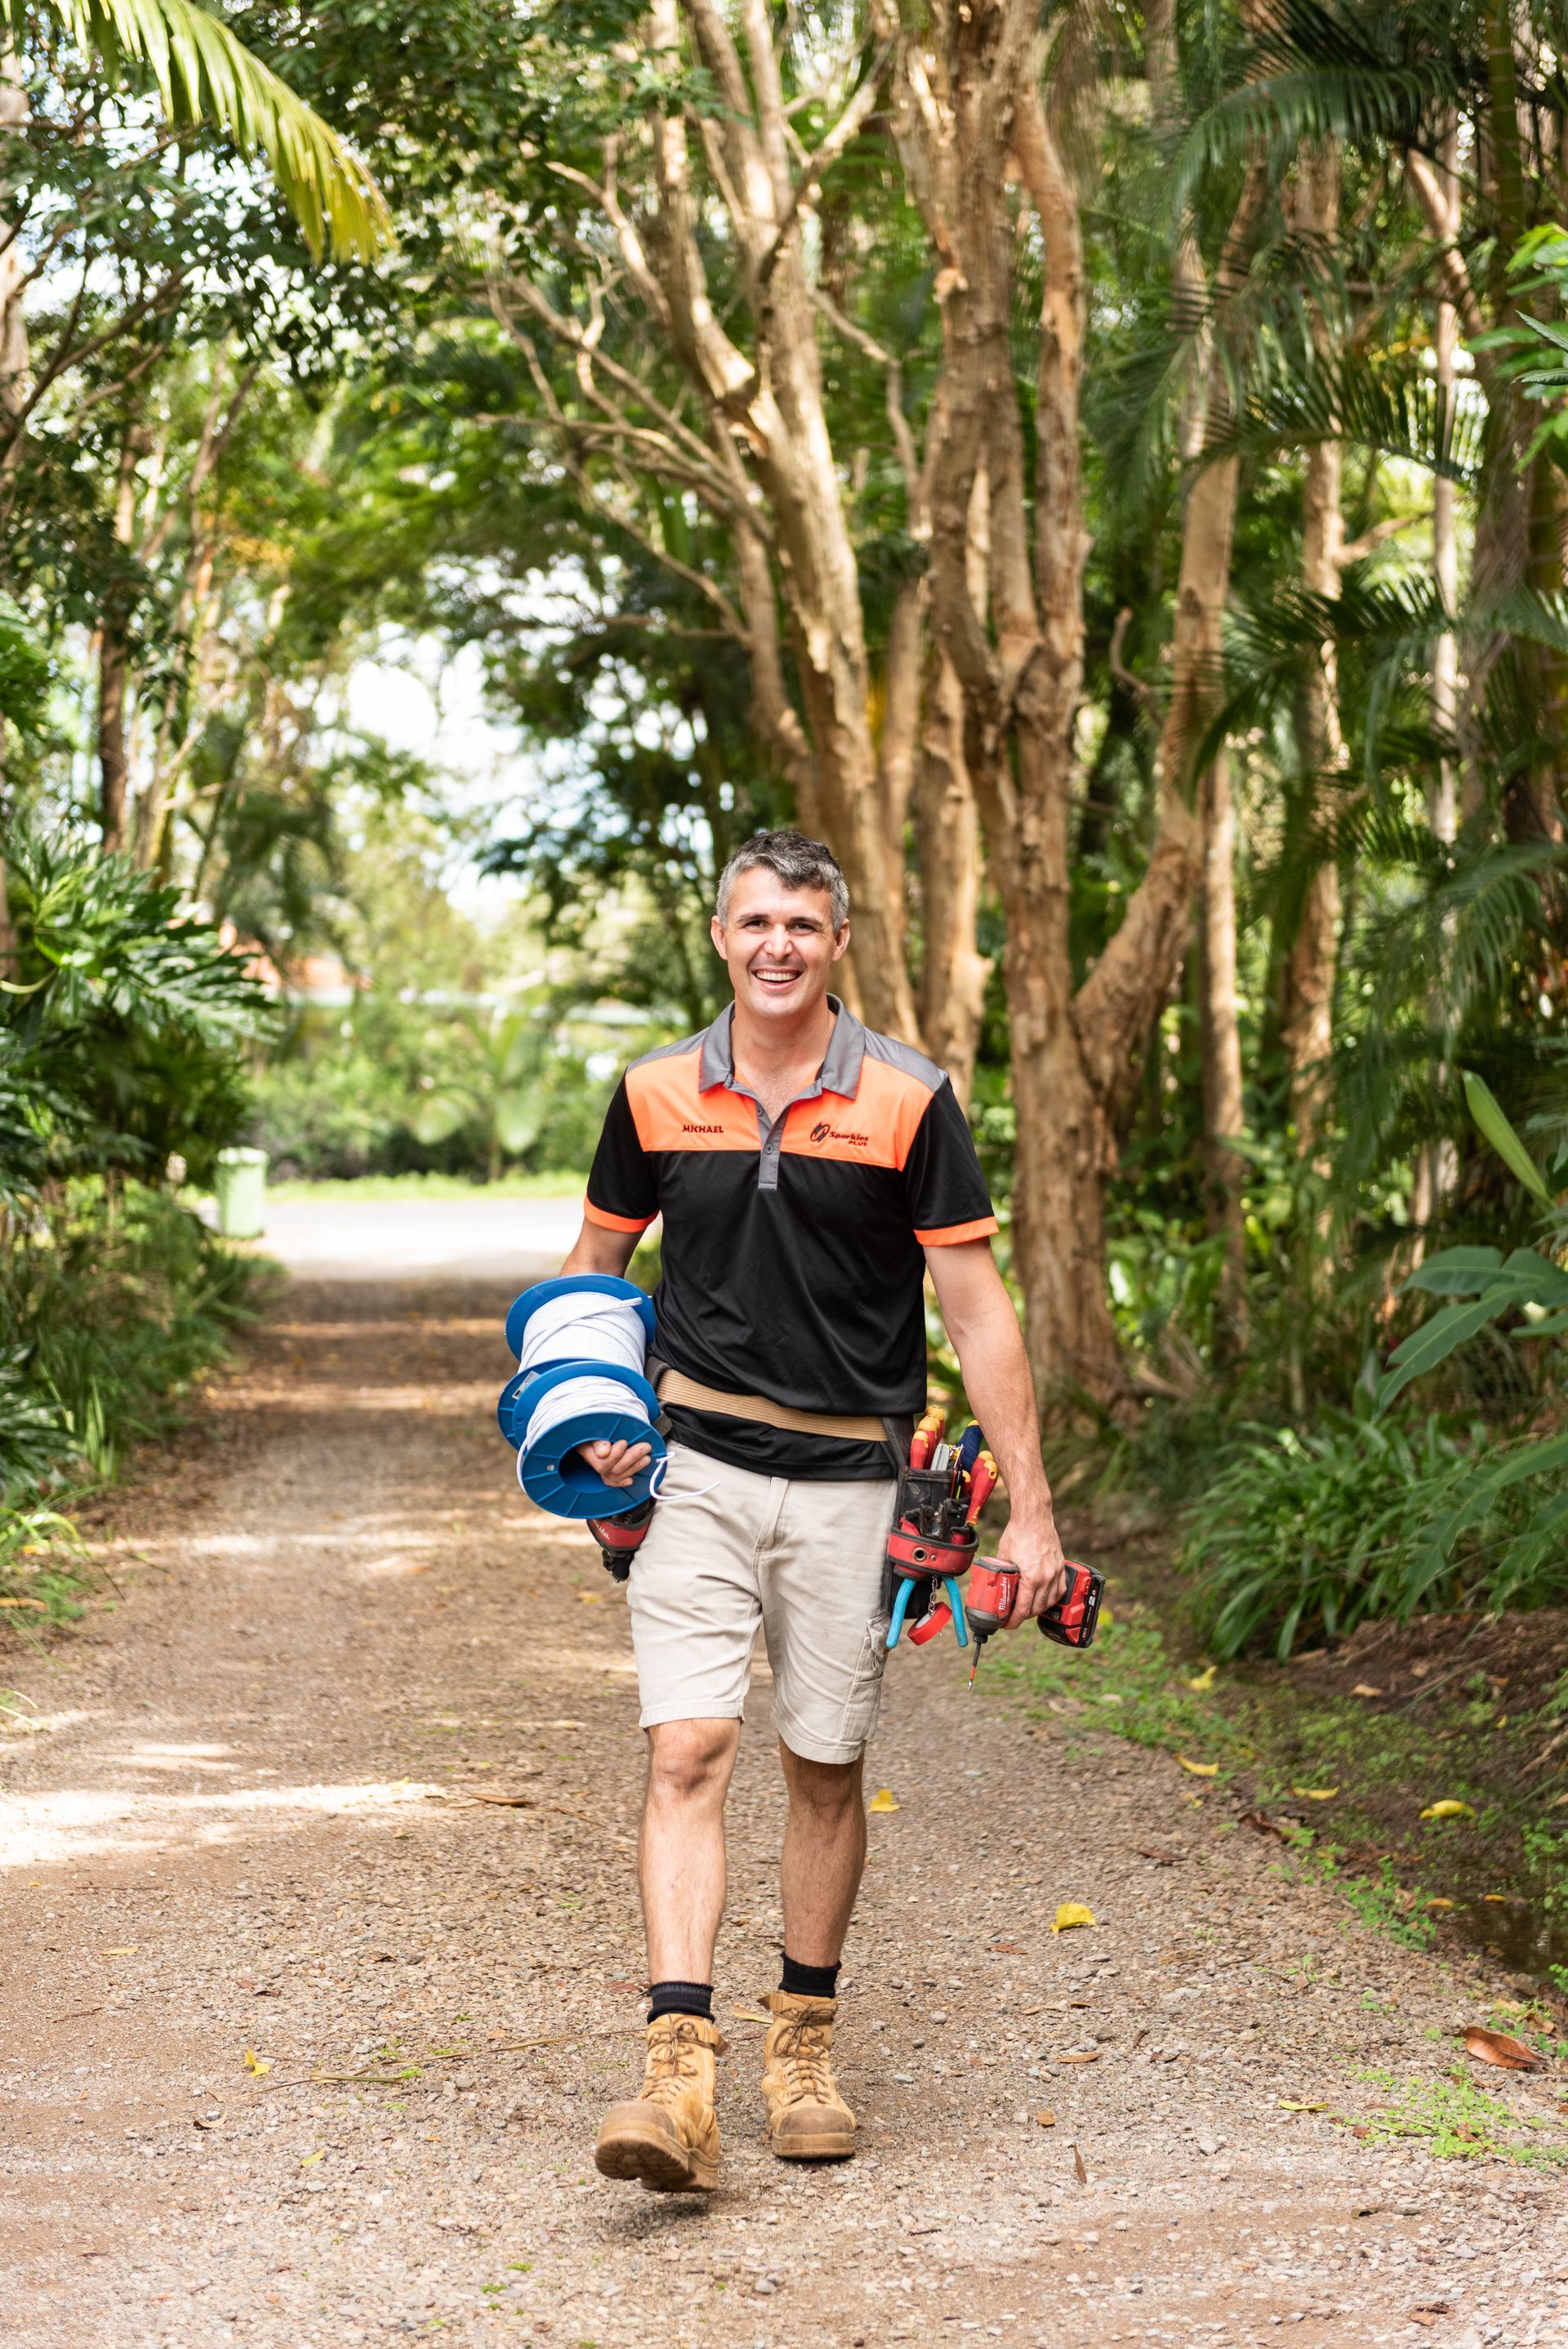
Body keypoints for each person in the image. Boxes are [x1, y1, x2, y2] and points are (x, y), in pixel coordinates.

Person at [558, 828, 1067, 2193]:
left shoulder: (909, 1098)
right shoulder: (656, 1091)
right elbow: (595, 1270)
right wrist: (587, 1414)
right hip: (695, 1470)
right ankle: (678, 2075)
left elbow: (976, 1306)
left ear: (838, 942)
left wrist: (1033, 1516)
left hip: (855, 1477)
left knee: (825, 1764)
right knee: (688, 1749)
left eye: (801, 924)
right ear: (718, 937)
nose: (775, 945)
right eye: (752, 923)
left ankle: (803, 2044)